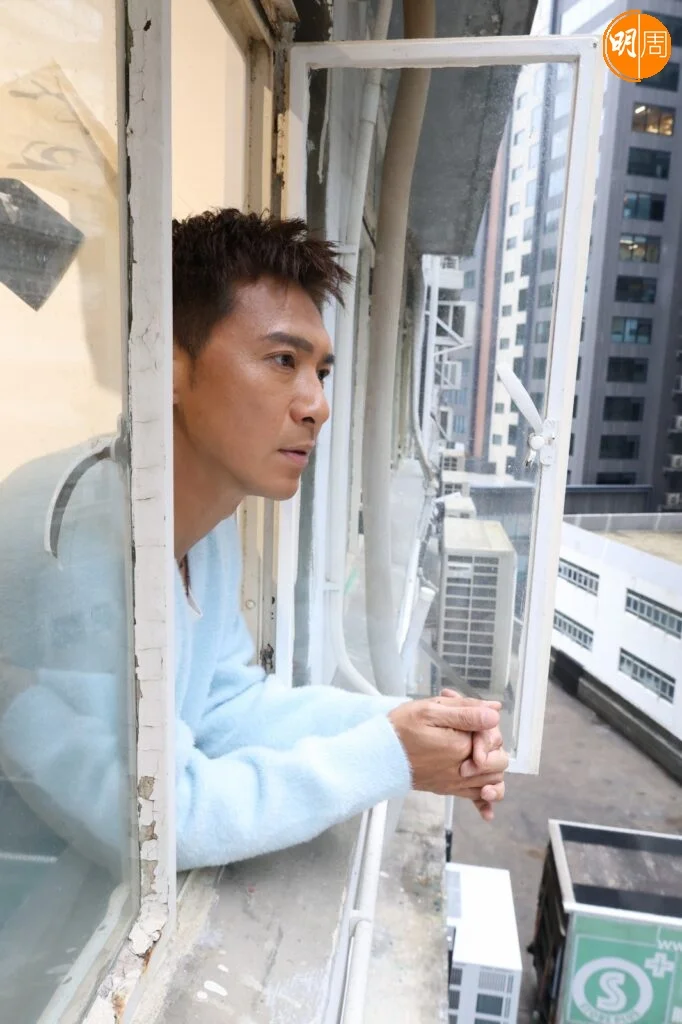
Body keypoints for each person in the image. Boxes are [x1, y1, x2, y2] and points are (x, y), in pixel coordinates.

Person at [0, 209, 508, 873]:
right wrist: (392, 754)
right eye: (282, 360)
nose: (316, 405)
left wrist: (420, 724)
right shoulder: (77, 537)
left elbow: (226, 706)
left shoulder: (201, 526)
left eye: (320, 372)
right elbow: (155, 825)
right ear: (164, 365)